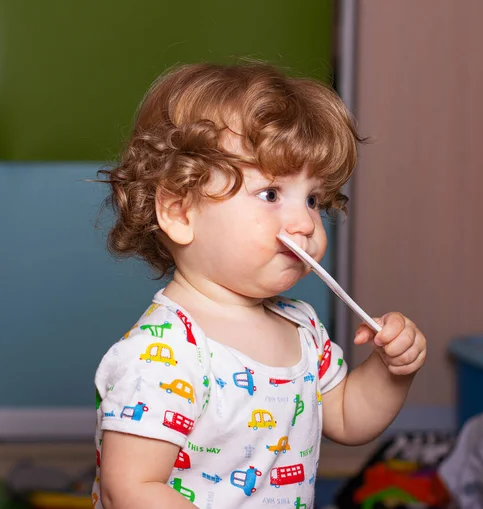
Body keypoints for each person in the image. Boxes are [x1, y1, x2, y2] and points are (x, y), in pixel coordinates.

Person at [91, 62, 427, 509]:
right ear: (179, 212)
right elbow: (130, 489)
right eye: (271, 194)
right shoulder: (162, 355)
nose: (306, 222)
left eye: (312, 199)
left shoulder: (301, 327)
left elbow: (348, 417)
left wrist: (390, 369)